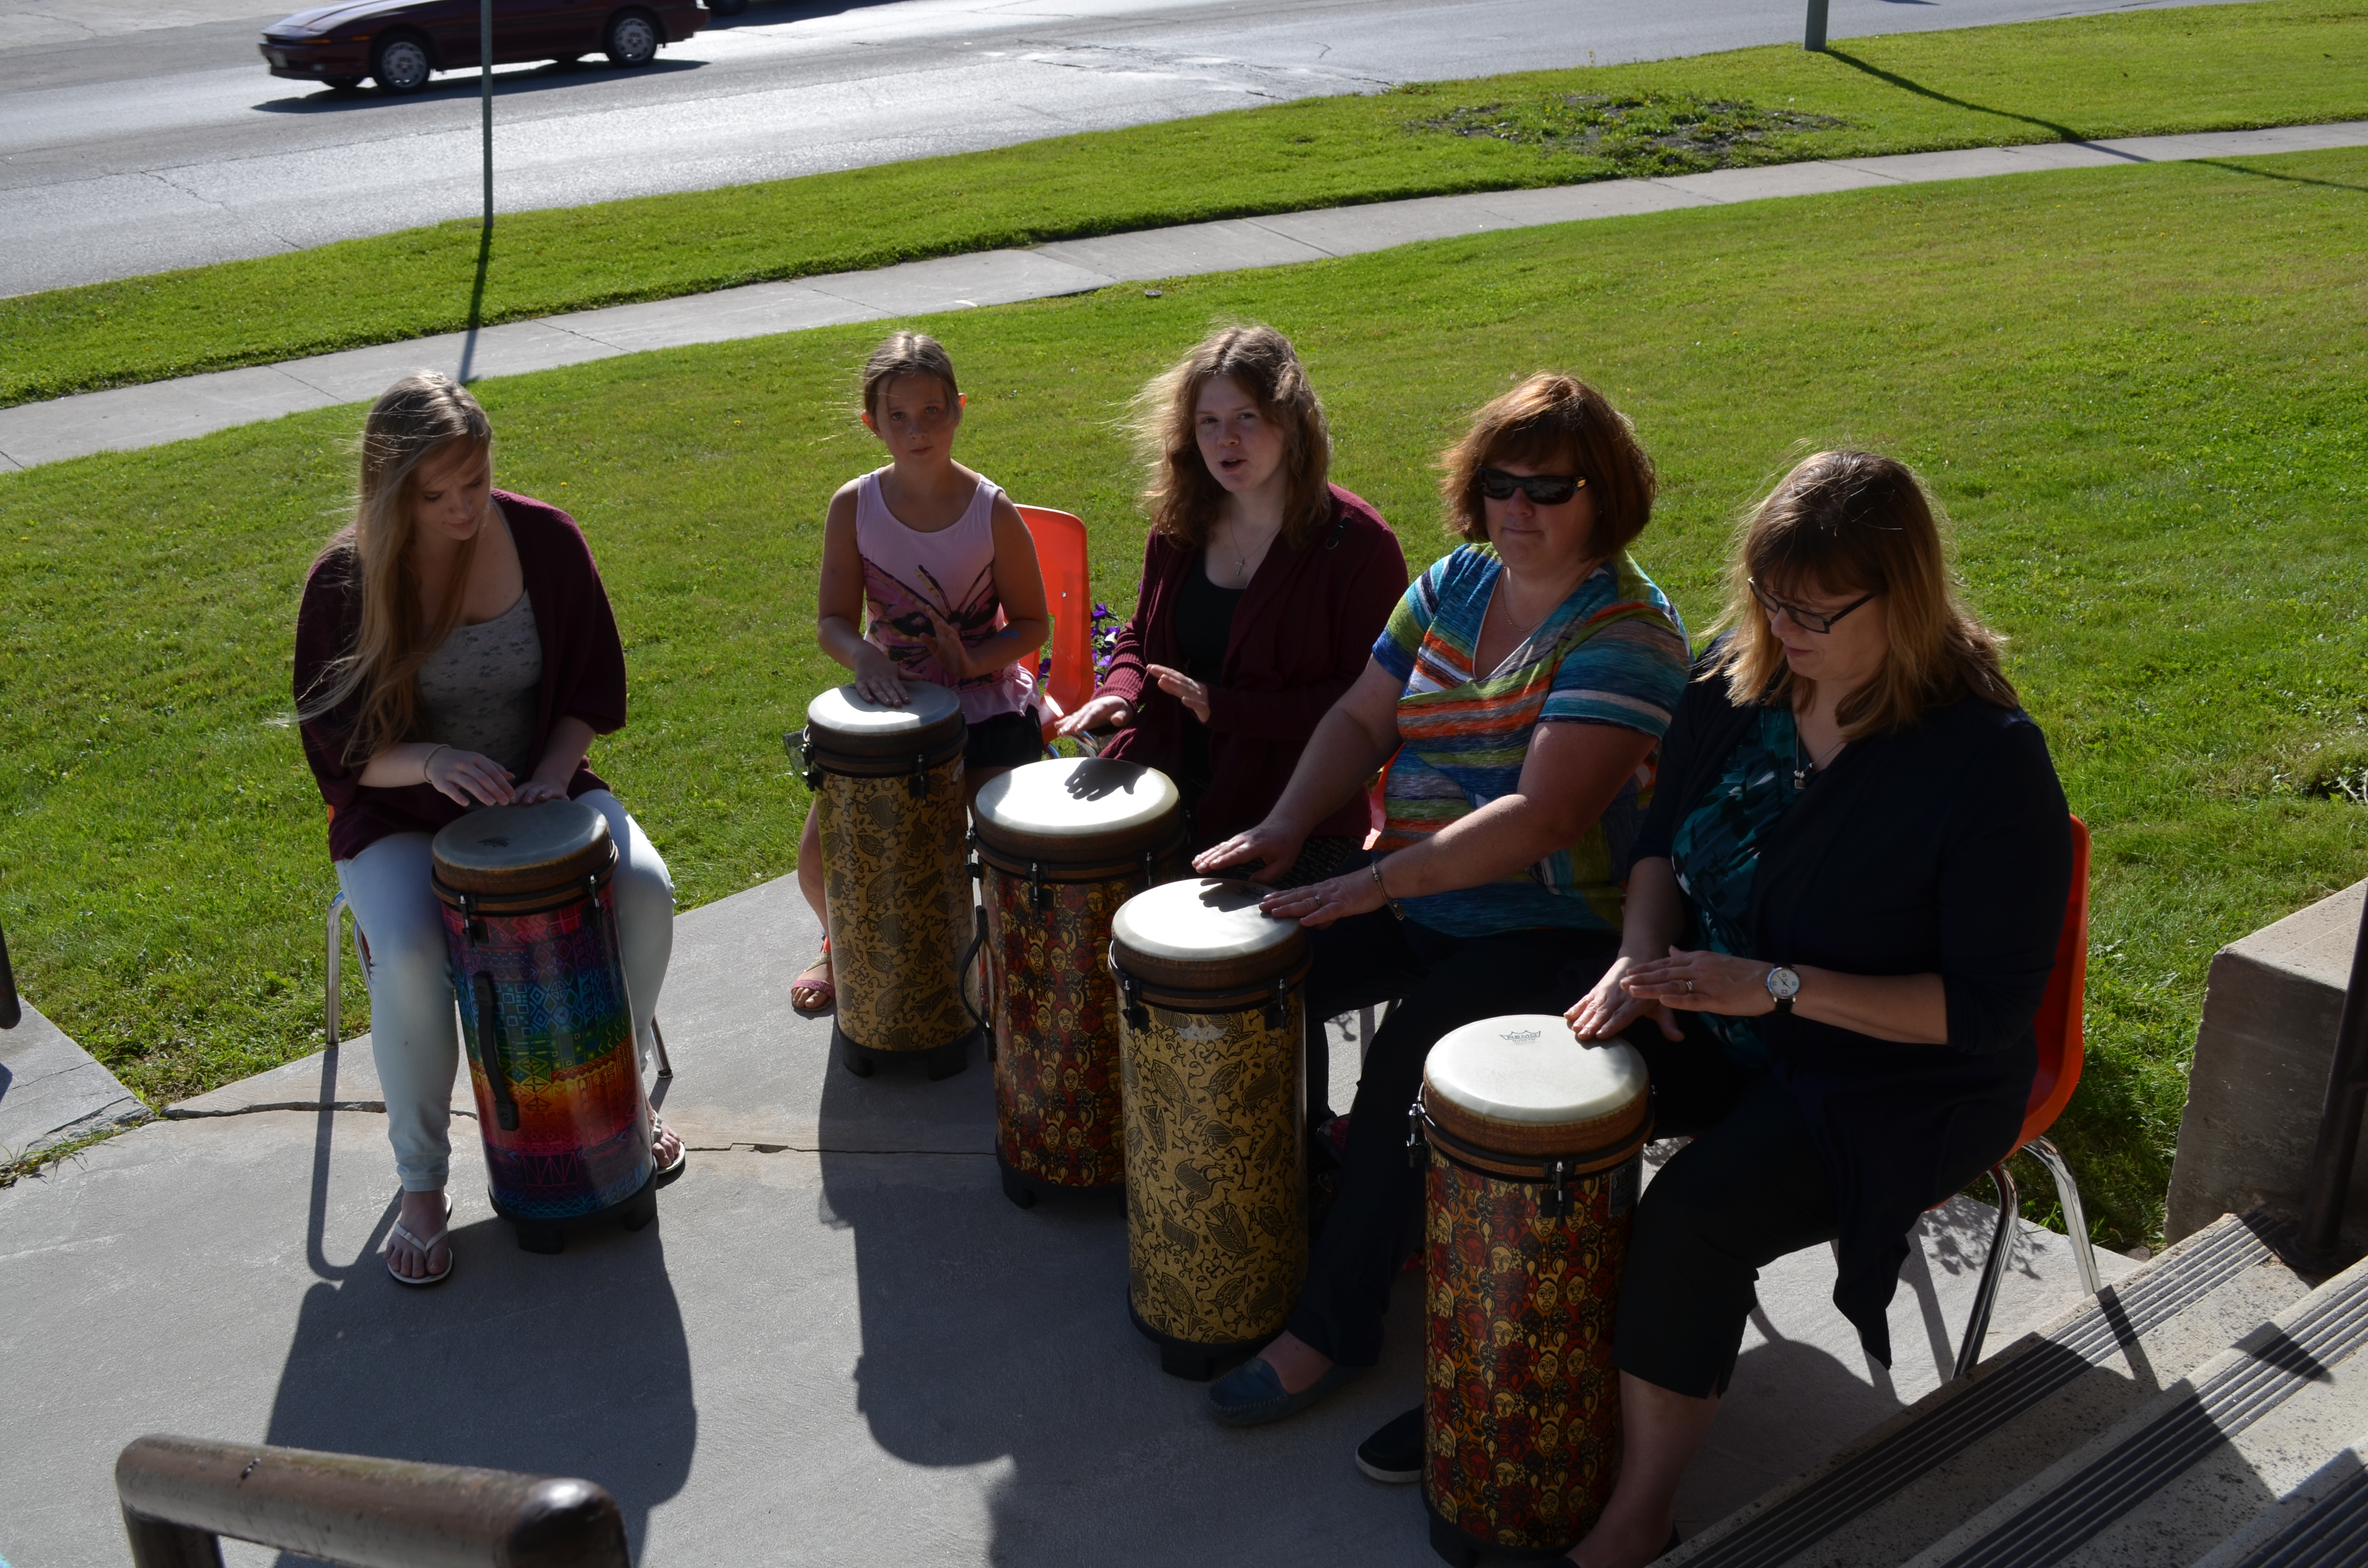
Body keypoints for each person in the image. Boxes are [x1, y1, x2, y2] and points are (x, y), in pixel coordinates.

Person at [1358, 450, 2075, 1568]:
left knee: (1692, 1216)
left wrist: (1777, 986)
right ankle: (1519, 1404)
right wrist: (1638, 960)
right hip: (1722, 1002)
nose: (1784, 629)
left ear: (1906, 598)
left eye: (1816, 612)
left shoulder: (1985, 760)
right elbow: (1658, 854)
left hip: (1891, 1068)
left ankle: (1637, 1512)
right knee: (1537, 1117)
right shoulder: (1735, 685)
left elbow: (1985, 1014)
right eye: (1769, 598)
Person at [1191, 371, 1692, 1426]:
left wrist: (1370, 880)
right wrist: (1288, 829)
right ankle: (1284, 1220)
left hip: (1554, 930)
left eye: (1550, 491)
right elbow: (1362, 721)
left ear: (1604, 495)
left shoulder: (1627, 631)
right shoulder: (1454, 582)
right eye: (1502, 484)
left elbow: (1543, 819)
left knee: (1406, 1057)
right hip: (1417, 895)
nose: (1519, 508)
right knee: (1241, 983)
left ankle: (1330, 1327)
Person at [294, 371, 680, 1287]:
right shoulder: (345, 581)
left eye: (475, 483)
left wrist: (550, 776)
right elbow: (342, 746)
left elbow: (588, 686)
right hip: (398, 811)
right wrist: (429, 760)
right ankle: (422, 1181)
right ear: (394, 493)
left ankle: (608, 1097)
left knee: (643, 890)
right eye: (437, 495)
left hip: (538, 791)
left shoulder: (544, 539)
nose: (464, 508)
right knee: (415, 951)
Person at [1055, 324, 1407, 882]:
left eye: (1246, 418)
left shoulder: (1357, 546)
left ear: (1291, 422)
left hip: (1291, 815)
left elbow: (1364, 706)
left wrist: (1224, 708)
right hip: (1162, 783)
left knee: (1219, 957)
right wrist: (1118, 695)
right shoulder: (1179, 523)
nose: (1226, 441)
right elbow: (1139, 636)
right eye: (1208, 423)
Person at [790, 332, 1050, 1014]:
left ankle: (997, 955)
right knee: (818, 860)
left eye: (933, 411)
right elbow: (833, 621)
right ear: (871, 423)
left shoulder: (992, 509)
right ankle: (841, 941)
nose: (917, 430)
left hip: (987, 708)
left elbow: (1031, 625)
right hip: (893, 711)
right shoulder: (856, 505)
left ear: (959, 410)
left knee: (1010, 854)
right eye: (898, 416)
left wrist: (973, 660)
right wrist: (866, 654)